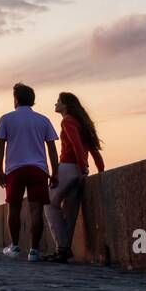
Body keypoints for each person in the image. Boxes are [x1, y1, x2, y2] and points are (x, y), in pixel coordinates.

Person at [0, 83, 58, 262]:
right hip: (38, 170)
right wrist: (55, 172)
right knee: (36, 210)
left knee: (14, 208)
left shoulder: (6, 119)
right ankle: (34, 251)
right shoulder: (43, 120)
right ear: (32, 100)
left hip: (15, 170)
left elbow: (0, 148)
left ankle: (14, 247)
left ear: (16, 99)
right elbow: (52, 148)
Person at [43, 92, 104, 263]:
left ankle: (62, 248)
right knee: (70, 211)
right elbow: (93, 150)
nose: (55, 104)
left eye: (58, 102)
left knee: (49, 203)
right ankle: (63, 251)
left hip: (68, 167)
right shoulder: (82, 123)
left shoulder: (67, 120)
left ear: (66, 105)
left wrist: (83, 167)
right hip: (78, 170)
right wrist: (99, 170)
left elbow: (76, 144)